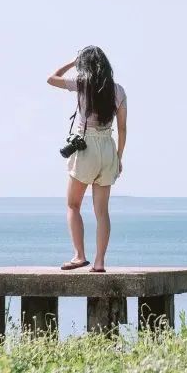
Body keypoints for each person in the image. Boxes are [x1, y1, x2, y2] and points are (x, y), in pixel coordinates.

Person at [47, 46, 127, 272]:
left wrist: (73, 62)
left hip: (86, 148)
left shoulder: (83, 84)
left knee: (73, 204)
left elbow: (51, 79)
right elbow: (122, 129)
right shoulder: (118, 91)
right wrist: (118, 157)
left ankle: (79, 256)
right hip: (108, 147)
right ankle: (100, 262)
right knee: (102, 212)